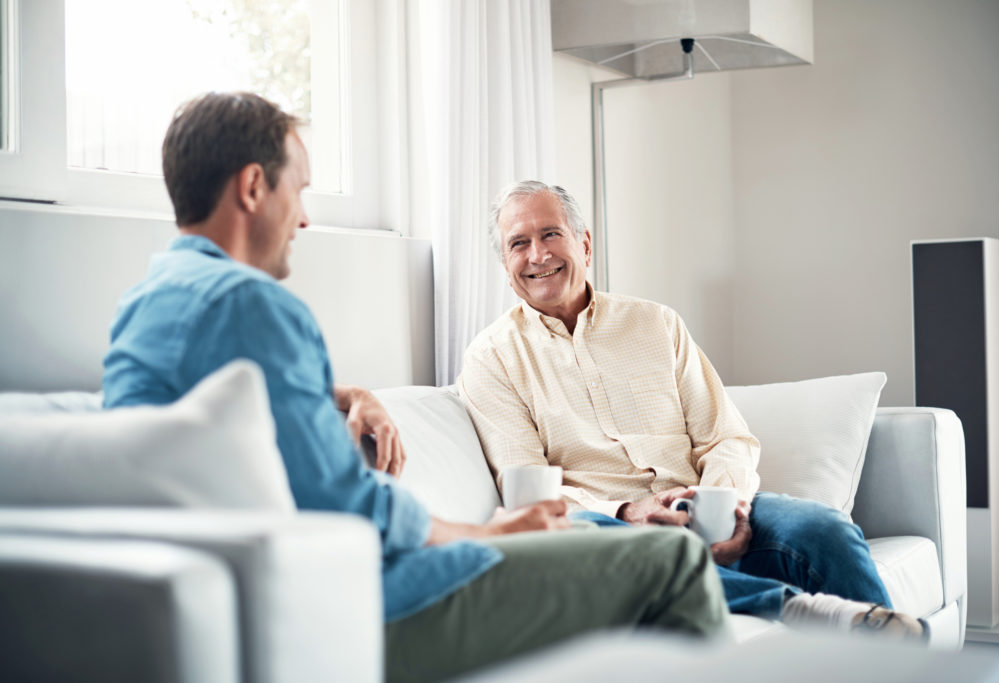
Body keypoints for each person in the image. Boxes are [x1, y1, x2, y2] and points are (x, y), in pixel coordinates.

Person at [102, 93, 730, 682]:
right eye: (300, 190)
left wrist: (340, 394)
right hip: (366, 610)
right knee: (671, 561)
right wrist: (487, 534)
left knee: (587, 535)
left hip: (254, 602)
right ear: (253, 186)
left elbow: (233, 412)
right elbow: (353, 509)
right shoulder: (255, 306)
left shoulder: (145, 307)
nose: (304, 216)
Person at [457, 180, 928, 641]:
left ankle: (897, 665)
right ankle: (796, 608)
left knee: (825, 529)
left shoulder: (656, 324)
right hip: (608, 527)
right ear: (505, 263)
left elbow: (726, 436)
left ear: (584, 243)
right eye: (519, 243)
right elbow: (530, 493)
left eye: (550, 234)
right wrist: (628, 510)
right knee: (580, 538)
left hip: (705, 507)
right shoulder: (491, 359)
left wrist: (723, 509)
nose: (537, 254)